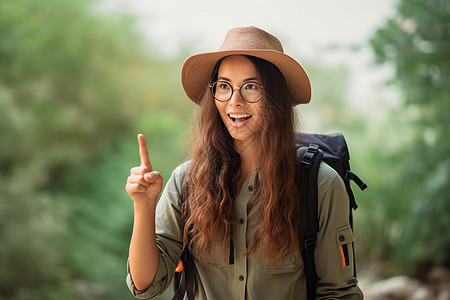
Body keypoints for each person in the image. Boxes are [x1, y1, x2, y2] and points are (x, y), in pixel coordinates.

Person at [125, 26, 363, 299]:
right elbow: (145, 285)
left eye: (250, 87)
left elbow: (340, 293)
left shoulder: (319, 185)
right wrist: (143, 206)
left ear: (276, 99)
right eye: (224, 86)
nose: (234, 101)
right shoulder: (186, 182)